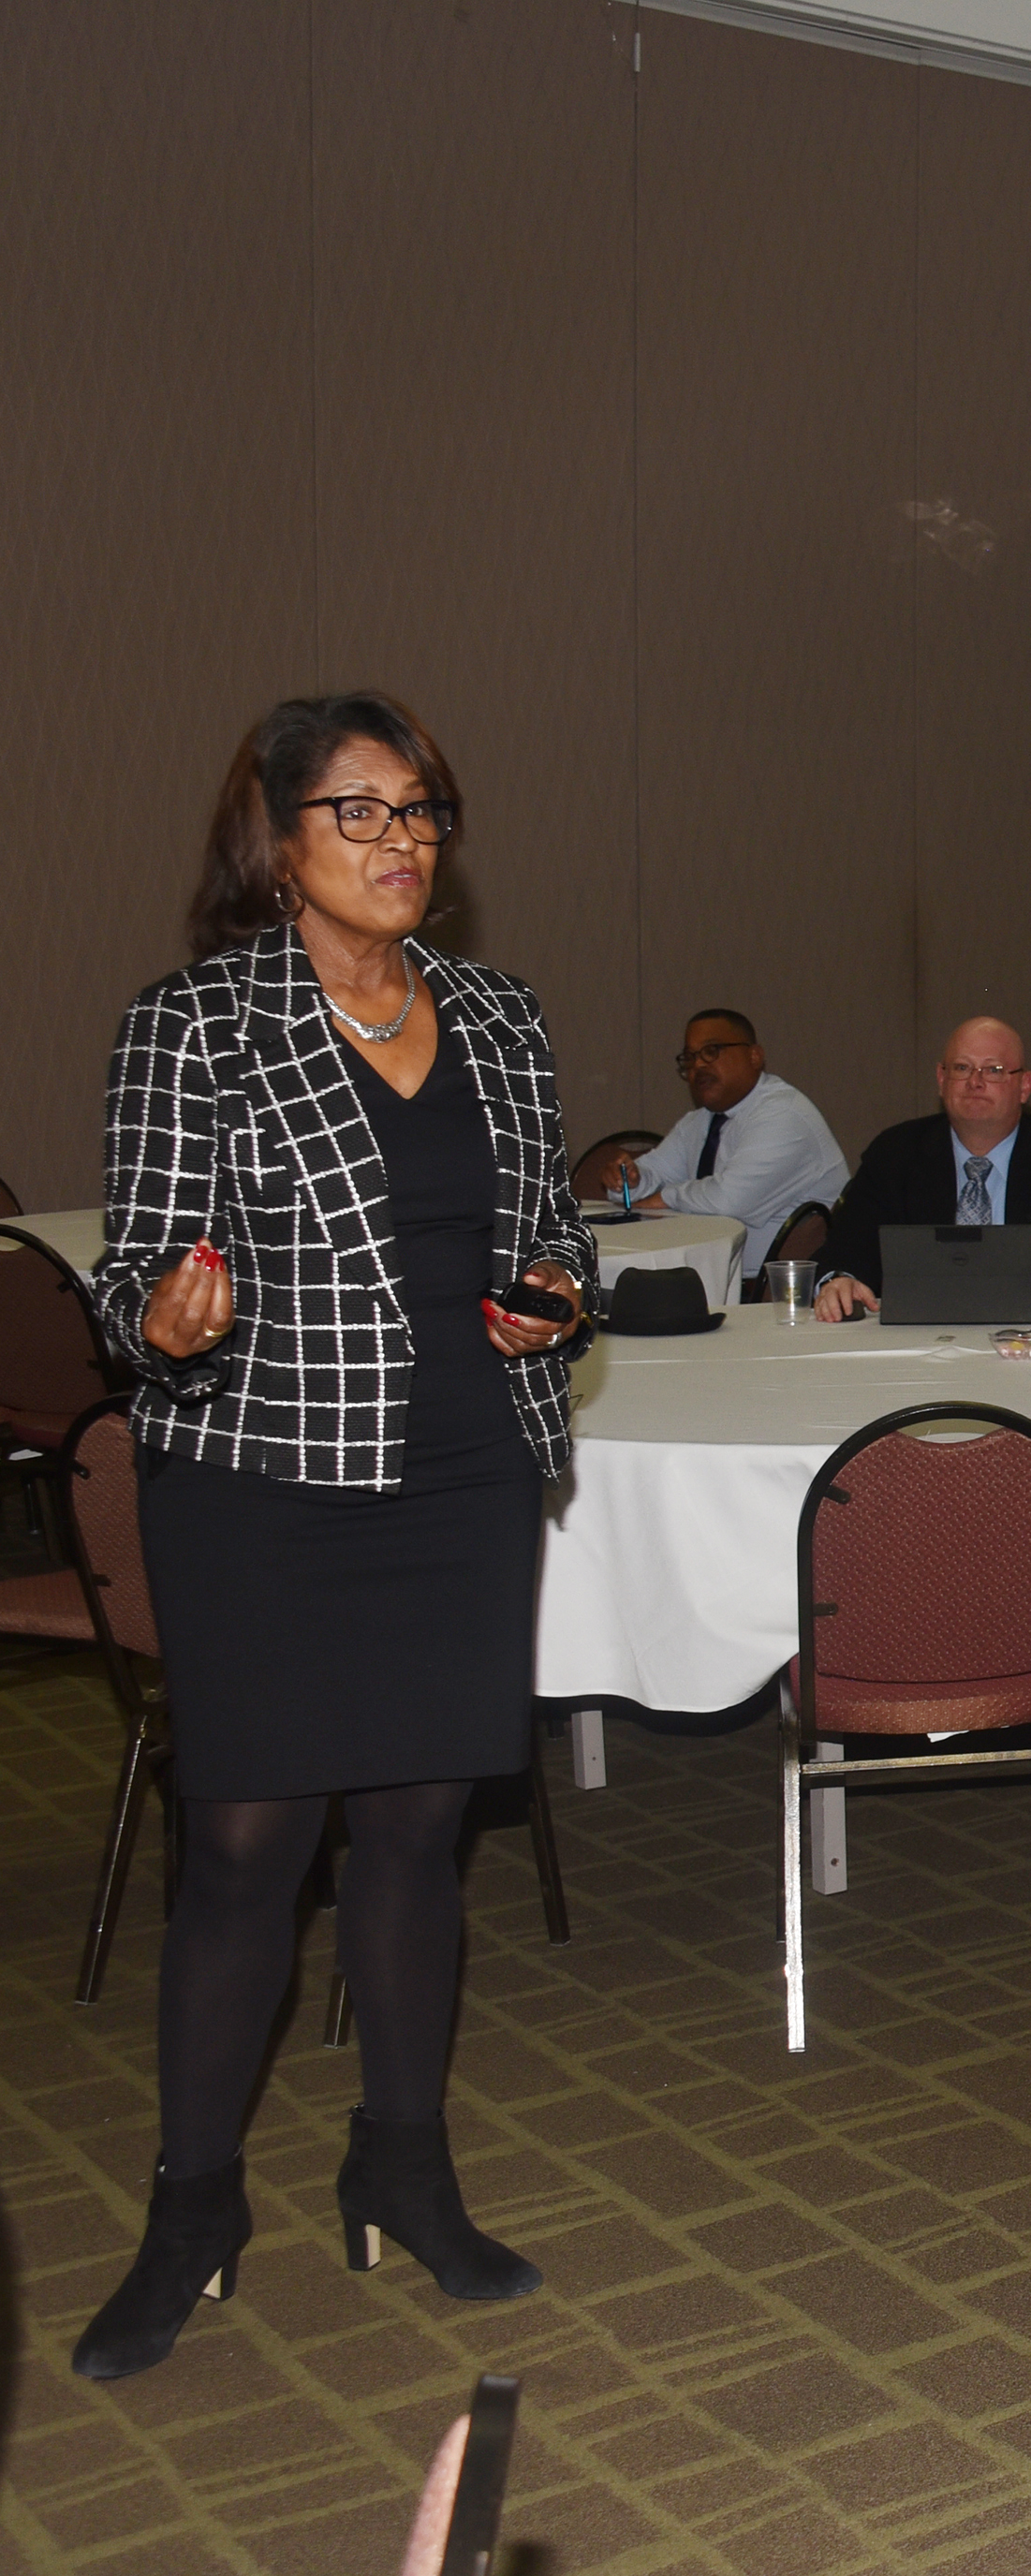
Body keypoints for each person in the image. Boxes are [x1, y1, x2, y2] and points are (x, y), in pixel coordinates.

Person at [73, 692, 590, 2380]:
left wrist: (551, 1308)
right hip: (263, 1486)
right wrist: (165, 1311)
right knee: (243, 1852)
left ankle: (405, 2167)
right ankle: (193, 2202)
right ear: (278, 840)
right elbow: (132, 1260)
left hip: (460, 1479)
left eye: (420, 809)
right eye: (356, 814)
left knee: (419, 1836)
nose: (400, 843)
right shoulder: (193, 1023)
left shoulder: (501, 1017)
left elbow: (556, 1243)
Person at [810, 1015, 1031, 1317]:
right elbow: (843, 1250)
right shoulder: (896, 1153)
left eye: (994, 1070)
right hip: (918, 1348)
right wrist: (841, 1282)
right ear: (941, 1079)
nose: (975, 1082)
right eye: (962, 1068)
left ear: (1024, 1086)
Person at [619, 1008, 850, 1280]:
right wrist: (630, 1180)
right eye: (690, 1057)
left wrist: (666, 1196)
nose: (698, 1066)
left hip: (779, 1290)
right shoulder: (701, 1120)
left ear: (754, 1056)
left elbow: (729, 1201)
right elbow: (655, 1173)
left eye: (711, 1051)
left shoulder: (784, 1114)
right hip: (717, 1277)